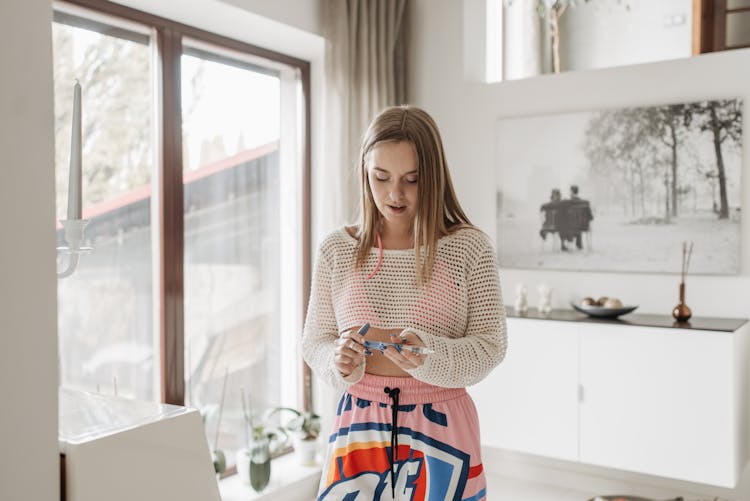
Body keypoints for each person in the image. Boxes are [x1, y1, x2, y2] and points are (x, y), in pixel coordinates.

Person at [302, 105, 507, 500]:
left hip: (442, 428)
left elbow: (489, 346)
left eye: (412, 180)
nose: (394, 193)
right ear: (365, 170)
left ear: (434, 177)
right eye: (381, 177)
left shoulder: (469, 248)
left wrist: (429, 356)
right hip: (358, 425)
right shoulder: (336, 249)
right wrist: (338, 360)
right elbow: (316, 341)